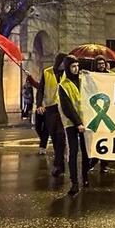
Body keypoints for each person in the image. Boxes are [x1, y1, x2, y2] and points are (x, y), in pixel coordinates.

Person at [57, 55, 91, 195]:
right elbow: (67, 107)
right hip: (71, 123)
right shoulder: (63, 85)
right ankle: (74, 182)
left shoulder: (84, 81)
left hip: (86, 121)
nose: (76, 69)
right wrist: (78, 123)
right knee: (73, 152)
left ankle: (85, 177)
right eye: (73, 66)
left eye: (77, 66)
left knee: (86, 152)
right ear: (67, 67)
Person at [36, 53, 67, 175]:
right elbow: (41, 89)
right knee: (54, 137)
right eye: (63, 62)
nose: (65, 65)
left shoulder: (68, 73)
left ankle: (58, 164)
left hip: (63, 109)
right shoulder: (47, 72)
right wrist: (39, 104)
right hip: (50, 109)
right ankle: (60, 163)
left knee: (60, 137)